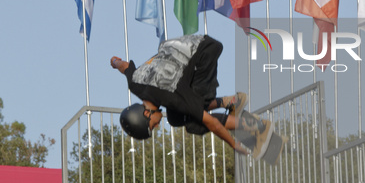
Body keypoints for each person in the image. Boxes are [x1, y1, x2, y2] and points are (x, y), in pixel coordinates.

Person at [111, 34, 270, 156]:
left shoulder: (173, 97)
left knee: (194, 122)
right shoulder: (135, 84)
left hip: (205, 52)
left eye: (153, 125)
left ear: (147, 113)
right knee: (175, 118)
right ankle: (231, 101)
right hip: (186, 46)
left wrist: (233, 144)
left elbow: (211, 123)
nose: (158, 126)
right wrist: (114, 61)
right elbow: (124, 66)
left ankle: (256, 127)